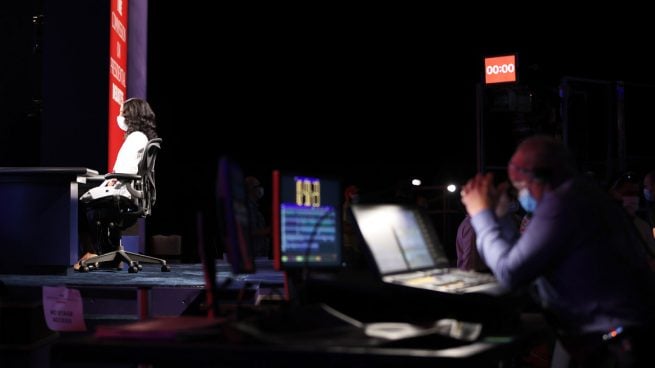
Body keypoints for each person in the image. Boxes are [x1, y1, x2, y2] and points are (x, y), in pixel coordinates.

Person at [460, 135, 655, 367]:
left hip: (614, 346)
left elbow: (510, 274)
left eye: (521, 186)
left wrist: (480, 214)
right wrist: (500, 217)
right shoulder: (583, 194)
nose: (521, 194)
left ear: (538, 177)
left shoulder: (560, 204)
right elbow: (523, 258)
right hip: (621, 336)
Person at [75, 98, 158, 270]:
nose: (119, 117)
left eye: (121, 113)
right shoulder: (142, 137)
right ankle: (112, 255)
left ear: (131, 115)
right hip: (131, 193)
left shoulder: (135, 138)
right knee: (87, 192)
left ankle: (92, 251)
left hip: (124, 193)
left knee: (76, 197)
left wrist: (112, 180)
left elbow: (124, 172)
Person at [244, 176, 271, 258]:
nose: (260, 189)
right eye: (257, 186)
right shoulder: (247, 208)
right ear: (249, 189)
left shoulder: (254, 208)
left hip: (258, 255)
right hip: (253, 256)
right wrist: (270, 230)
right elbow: (249, 231)